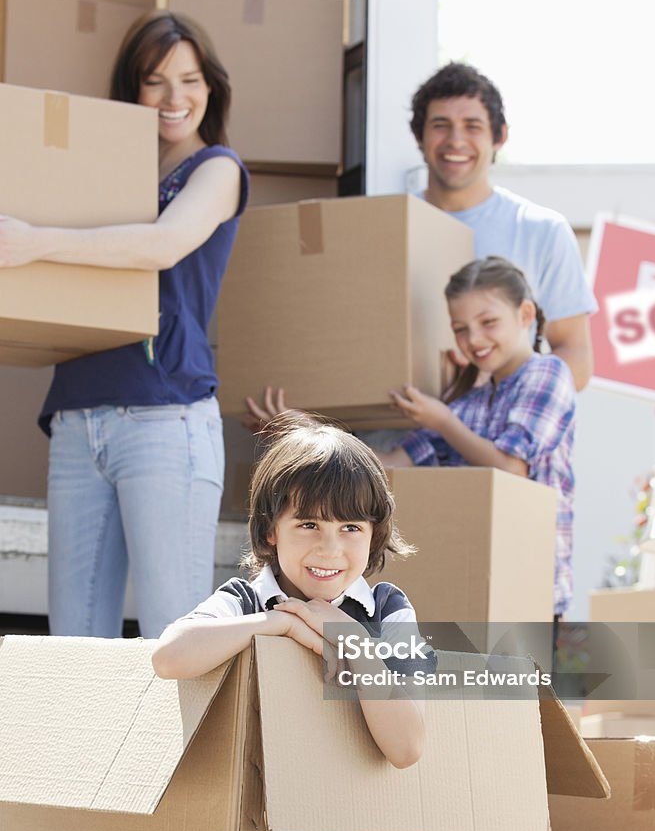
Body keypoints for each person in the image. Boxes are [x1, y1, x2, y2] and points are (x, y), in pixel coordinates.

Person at [0, 10, 249, 638]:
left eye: (190, 80)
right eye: (155, 81)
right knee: (74, 644)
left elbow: (162, 245)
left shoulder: (217, 170)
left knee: (174, 635)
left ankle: (178, 745)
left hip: (164, 419)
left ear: (211, 87)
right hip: (78, 415)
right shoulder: (99, 172)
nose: (175, 98)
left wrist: (34, 242)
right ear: (131, 89)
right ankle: (83, 744)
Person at [152, 414, 434, 769]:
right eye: (309, 524)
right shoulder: (246, 600)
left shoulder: (388, 609)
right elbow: (168, 658)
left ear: (373, 534)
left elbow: (406, 749)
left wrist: (353, 640)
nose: (329, 549)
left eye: (350, 527)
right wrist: (281, 623)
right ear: (271, 530)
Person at [376, 256, 575, 619]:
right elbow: (390, 464)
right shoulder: (467, 405)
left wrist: (443, 421)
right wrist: (306, 432)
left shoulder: (549, 374)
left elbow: (512, 470)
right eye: (461, 328)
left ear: (525, 314)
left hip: (529, 588)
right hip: (471, 581)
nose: (474, 339)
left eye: (488, 323)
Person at [410, 61, 596, 391]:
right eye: (441, 125)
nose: (455, 140)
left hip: (494, 437)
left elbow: (576, 357)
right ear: (419, 136)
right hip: (391, 437)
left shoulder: (541, 230)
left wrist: (496, 387)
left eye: (472, 126)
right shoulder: (386, 227)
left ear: (500, 136)